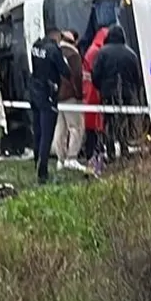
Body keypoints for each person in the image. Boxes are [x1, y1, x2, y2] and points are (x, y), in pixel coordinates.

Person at [91, 25, 145, 160]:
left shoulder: (102, 53)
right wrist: (134, 91)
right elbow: (137, 77)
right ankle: (124, 149)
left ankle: (110, 152)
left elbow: (95, 75)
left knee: (109, 123)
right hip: (127, 94)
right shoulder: (131, 54)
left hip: (108, 93)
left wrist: (101, 88)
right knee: (124, 121)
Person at [28, 30, 70, 184]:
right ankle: (42, 170)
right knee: (47, 133)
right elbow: (66, 71)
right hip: (48, 94)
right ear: (56, 35)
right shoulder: (53, 50)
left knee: (37, 130)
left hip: (35, 91)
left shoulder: (36, 45)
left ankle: (36, 159)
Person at [52, 30, 86, 173]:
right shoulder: (73, 55)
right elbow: (77, 76)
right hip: (69, 95)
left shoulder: (55, 52)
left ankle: (60, 159)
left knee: (60, 128)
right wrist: (79, 94)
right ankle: (72, 158)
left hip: (56, 95)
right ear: (75, 41)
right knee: (76, 127)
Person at [80, 28, 109, 166]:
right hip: (93, 94)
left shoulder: (92, 49)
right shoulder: (97, 52)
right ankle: (94, 154)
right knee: (95, 127)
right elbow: (96, 73)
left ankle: (93, 153)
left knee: (91, 127)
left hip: (88, 93)